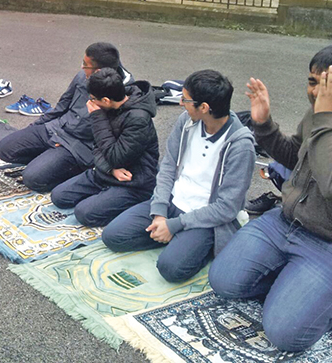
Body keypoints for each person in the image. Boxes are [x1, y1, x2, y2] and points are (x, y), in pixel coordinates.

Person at [208, 46, 332, 353]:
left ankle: (311, 296)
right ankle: (295, 284)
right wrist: (264, 125)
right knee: (223, 282)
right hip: (283, 222)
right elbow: (295, 156)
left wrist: (325, 118)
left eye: (326, 84)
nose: (316, 91)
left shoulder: (323, 115)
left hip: (325, 245)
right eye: (313, 81)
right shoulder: (318, 113)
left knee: (286, 334)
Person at [101, 70, 256, 283]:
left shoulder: (241, 145)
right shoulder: (186, 122)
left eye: (186, 99)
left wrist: (175, 226)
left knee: (170, 269)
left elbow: (227, 208)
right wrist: (159, 213)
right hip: (173, 202)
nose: (181, 103)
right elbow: (167, 167)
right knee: (113, 236)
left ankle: (193, 243)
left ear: (204, 108)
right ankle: (172, 238)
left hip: (205, 218)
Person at [0, 42, 133, 193]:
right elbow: (62, 106)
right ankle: (49, 160)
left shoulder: (121, 94)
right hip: (57, 128)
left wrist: (106, 167)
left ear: (98, 71)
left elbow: (112, 139)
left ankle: (69, 169)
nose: (82, 67)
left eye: (85, 65)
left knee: (32, 179)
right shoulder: (83, 76)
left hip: (78, 146)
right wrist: (34, 128)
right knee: (5, 148)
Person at [50, 68, 159, 226]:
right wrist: (109, 169)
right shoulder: (106, 107)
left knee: (84, 213)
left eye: (93, 98)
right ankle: (106, 197)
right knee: (59, 196)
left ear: (107, 100)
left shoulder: (138, 119)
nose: (89, 102)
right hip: (106, 171)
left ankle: (131, 203)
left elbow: (117, 157)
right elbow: (96, 146)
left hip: (133, 181)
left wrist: (98, 119)